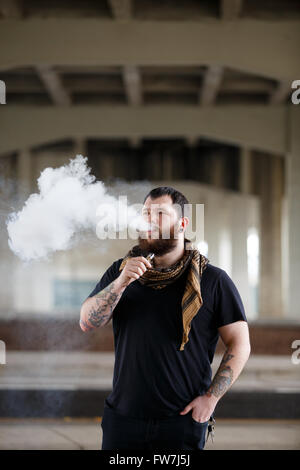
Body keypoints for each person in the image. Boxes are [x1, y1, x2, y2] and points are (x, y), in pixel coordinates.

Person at [79, 186, 251, 450]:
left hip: (182, 422)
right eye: (146, 212)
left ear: (182, 224)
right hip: (123, 420)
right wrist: (121, 283)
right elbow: (87, 322)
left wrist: (211, 399)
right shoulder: (121, 271)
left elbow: (239, 344)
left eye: (160, 213)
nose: (149, 218)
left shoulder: (213, 280)